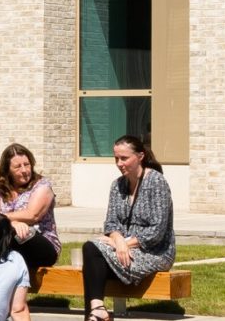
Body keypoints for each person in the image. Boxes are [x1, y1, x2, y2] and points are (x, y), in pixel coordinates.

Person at [81, 135, 175, 321]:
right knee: (91, 250)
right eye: (116, 158)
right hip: (122, 248)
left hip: (155, 252)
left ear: (140, 156)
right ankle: (97, 310)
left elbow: (157, 231)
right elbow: (111, 224)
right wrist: (118, 241)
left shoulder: (156, 182)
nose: (119, 163)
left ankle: (95, 314)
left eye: (124, 158)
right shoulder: (117, 185)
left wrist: (124, 244)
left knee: (93, 258)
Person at [0, 143, 60, 276]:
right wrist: (13, 224)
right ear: (7, 169)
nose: (24, 170)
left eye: (27, 164)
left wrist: (5, 220)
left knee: (18, 234)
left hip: (42, 244)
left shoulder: (42, 185)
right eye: (18, 167)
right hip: (11, 241)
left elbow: (32, 215)